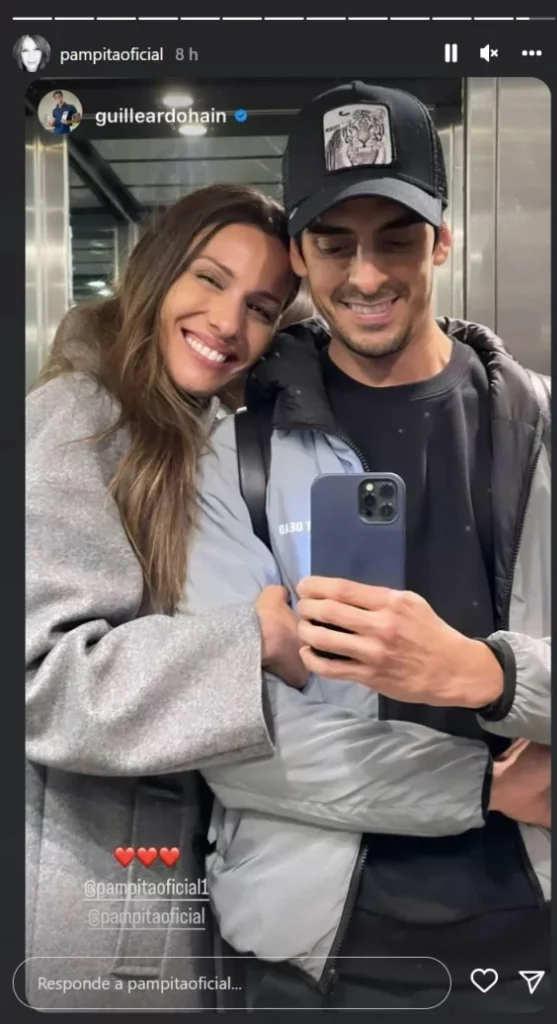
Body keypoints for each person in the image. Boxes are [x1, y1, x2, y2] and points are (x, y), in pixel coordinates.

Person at [182, 83, 551, 1012]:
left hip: (539, 924)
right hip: (314, 949)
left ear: (441, 241)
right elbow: (232, 731)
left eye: (395, 238)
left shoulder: (544, 429)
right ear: (298, 256)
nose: (366, 274)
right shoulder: (233, 458)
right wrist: (482, 787)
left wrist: (488, 675)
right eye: (334, 243)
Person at [26, 183, 309, 1011]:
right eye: (209, 279)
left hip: (170, 880)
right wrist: (251, 640)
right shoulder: (79, 416)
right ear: (155, 271)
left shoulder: (196, 433)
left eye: (260, 307)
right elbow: (42, 676)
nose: (227, 322)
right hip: (89, 892)